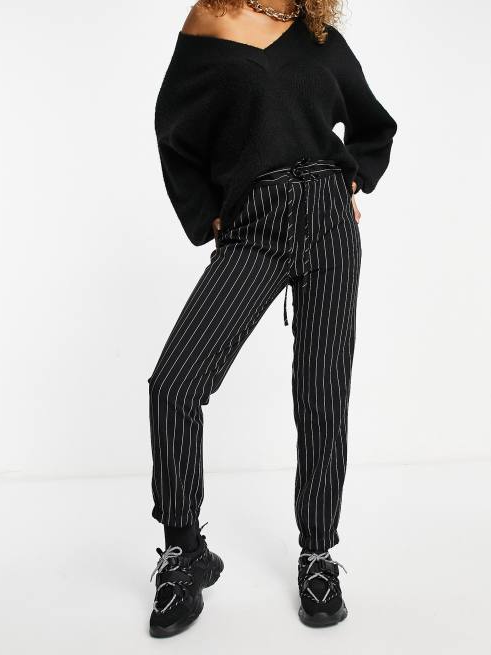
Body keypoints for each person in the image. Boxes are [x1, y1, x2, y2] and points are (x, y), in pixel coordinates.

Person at [148, 0, 397, 638]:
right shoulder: (210, 20)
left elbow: (374, 124)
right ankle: (184, 552)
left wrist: (352, 181)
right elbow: (172, 130)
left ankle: (318, 556)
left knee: (322, 395)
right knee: (174, 384)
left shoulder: (318, 34)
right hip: (254, 227)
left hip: (329, 225)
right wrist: (207, 213)